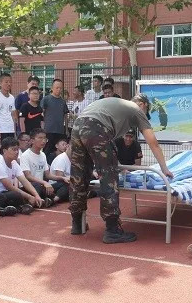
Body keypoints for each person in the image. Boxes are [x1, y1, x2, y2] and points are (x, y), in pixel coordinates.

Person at [69, 94, 173, 243]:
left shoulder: (115, 104)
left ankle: (77, 223)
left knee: (78, 175)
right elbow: (153, 142)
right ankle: (112, 230)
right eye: (146, 112)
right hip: (97, 128)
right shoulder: (137, 109)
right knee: (109, 177)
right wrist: (164, 168)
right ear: (143, 104)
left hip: (78, 126)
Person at [0, 137, 43, 213]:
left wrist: (36, 195)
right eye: (14, 149)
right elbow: (9, 187)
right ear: (4, 151)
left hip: (7, 192)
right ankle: (21, 206)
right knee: (15, 194)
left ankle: (28, 204)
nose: (17, 152)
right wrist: (29, 196)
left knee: (36, 185)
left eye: (18, 149)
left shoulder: (14, 163)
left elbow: (24, 181)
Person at [19, 129, 64, 205]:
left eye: (45, 138)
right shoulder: (25, 155)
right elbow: (28, 176)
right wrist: (44, 182)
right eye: (40, 138)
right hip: (30, 187)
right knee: (38, 186)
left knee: (64, 183)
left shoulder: (42, 155)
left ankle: (53, 199)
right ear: (32, 141)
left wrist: (62, 178)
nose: (43, 141)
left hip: (42, 185)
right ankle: (48, 199)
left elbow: (48, 175)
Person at [41, 79, 70, 159]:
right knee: (46, 150)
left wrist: (66, 129)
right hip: (48, 130)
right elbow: (41, 114)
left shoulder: (62, 101)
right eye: (57, 88)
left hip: (60, 130)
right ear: (52, 88)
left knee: (59, 152)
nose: (59, 90)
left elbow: (65, 116)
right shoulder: (46, 99)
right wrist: (42, 127)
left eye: (60, 88)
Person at [0, 73, 17, 141]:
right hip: (1, 129)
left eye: (10, 82)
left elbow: (13, 115)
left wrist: (14, 131)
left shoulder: (12, 97)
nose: (9, 84)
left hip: (10, 129)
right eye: (6, 82)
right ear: (0, 83)